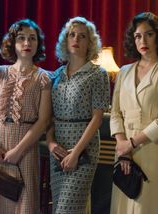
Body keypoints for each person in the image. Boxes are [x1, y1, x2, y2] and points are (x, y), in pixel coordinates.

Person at [110, 12, 158, 214]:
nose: (143, 40)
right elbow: (115, 113)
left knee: (148, 207)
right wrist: (122, 146)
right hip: (123, 150)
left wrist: (131, 144)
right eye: (138, 36)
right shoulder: (124, 71)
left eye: (148, 34)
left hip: (152, 149)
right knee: (122, 207)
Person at [0, 19, 51, 213]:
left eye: (32, 39)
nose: (27, 43)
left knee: (23, 201)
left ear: (38, 43)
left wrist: (19, 150)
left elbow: (43, 121)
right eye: (21, 38)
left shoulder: (44, 78)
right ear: (12, 43)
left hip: (25, 148)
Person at [46, 16, 110, 214]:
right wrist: (50, 143)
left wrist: (76, 153)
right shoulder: (55, 75)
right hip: (58, 149)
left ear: (90, 43)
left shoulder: (98, 74)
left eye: (82, 36)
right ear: (65, 40)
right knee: (59, 206)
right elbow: (49, 116)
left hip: (84, 149)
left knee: (68, 209)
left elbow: (98, 117)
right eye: (72, 35)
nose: (76, 39)